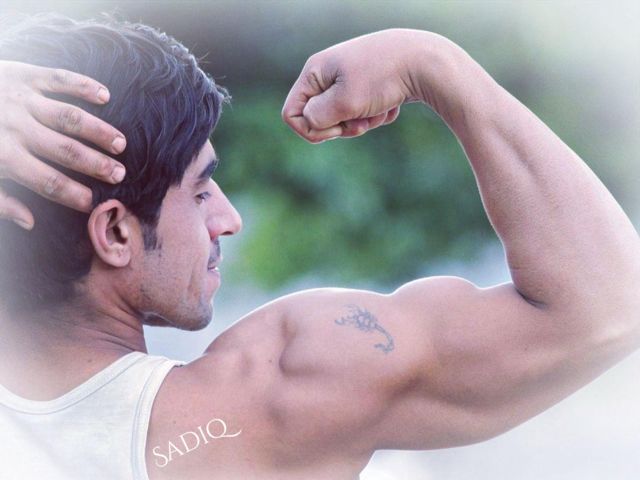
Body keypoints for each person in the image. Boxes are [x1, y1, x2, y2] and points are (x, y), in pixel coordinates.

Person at [0, 14, 638, 480]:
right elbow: (608, 304)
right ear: (116, 232)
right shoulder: (267, 400)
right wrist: (432, 62)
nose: (227, 220)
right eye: (199, 191)